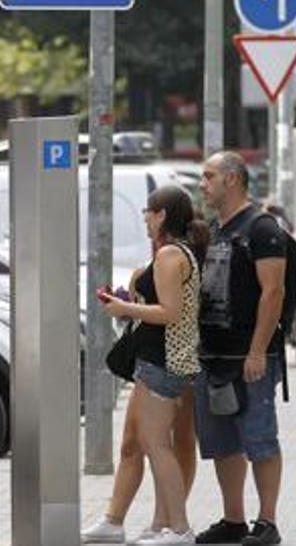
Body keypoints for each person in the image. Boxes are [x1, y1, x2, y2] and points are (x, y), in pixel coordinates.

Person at [84, 187, 208, 545]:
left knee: (156, 444)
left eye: (148, 212)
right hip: (156, 359)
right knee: (139, 441)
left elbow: (169, 313)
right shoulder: (175, 253)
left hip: (163, 360)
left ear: (163, 215)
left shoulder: (171, 254)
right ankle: (143, 523)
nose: (144, 219)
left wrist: (125, 310)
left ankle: (180, 528)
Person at [192, 152, 286, 546]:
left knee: (259, 438)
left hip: (250, 358)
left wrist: (257, 351)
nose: (202, 183)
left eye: (208, 176)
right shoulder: (215, 228)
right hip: (213, 357)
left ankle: (267, 522)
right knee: (223, 443)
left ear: (232, 179)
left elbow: (273, 291)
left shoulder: (262, 228)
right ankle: (234, 519)